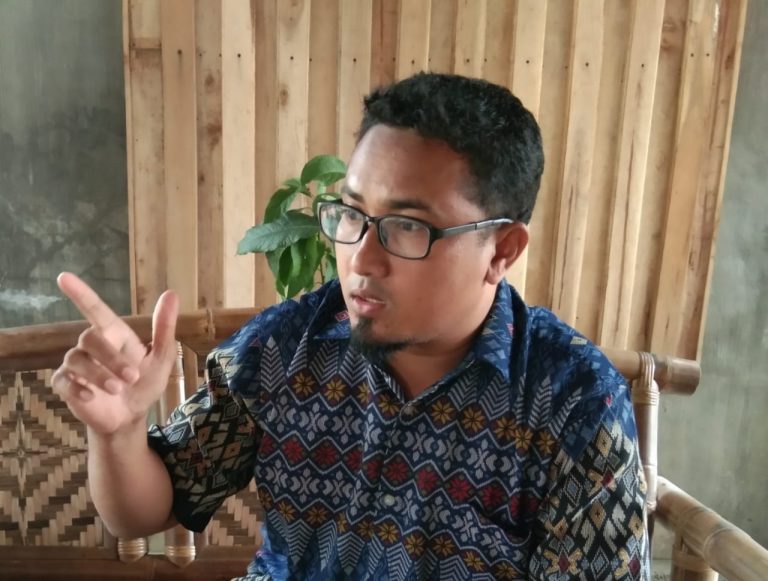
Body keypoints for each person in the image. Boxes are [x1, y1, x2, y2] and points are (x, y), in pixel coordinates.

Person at [52, 73, 649, 580]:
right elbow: (142, 511)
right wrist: (119, 433)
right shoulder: (284, 349)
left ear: (502, 250)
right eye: (352, 214)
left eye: (408, 227)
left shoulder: (572, 402)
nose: (361, 258)